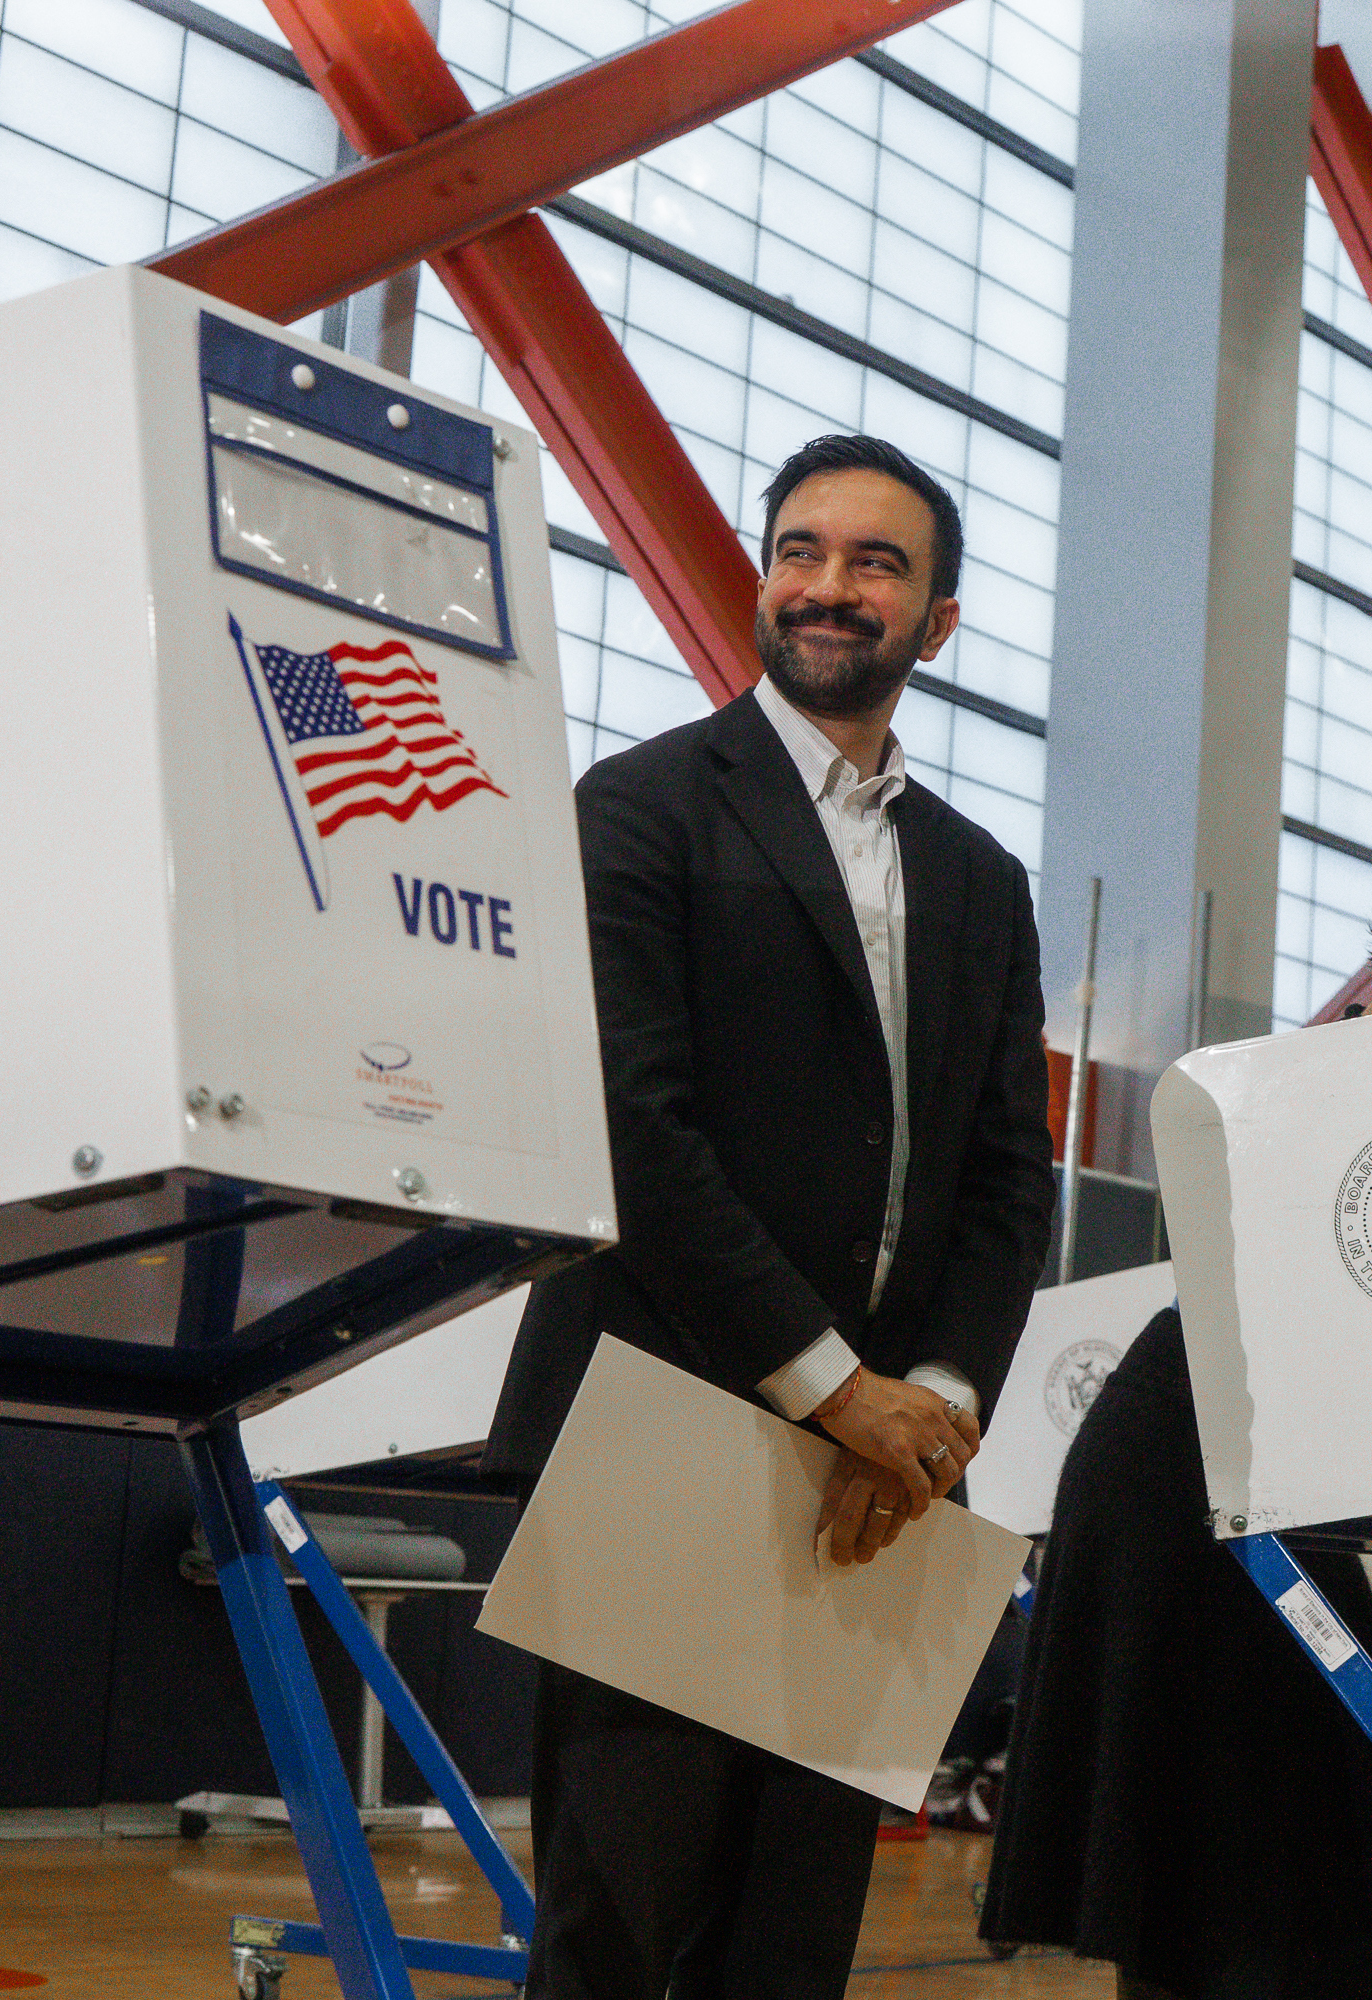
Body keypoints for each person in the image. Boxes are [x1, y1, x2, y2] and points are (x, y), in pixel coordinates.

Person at [485, 433, 1055, 2000]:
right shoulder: (644, 807)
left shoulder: (983, 881)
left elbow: (1012, 1182)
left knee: (789, 1951)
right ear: (760, 580)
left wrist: (931, 1404)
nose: (827, 586)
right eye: (801, 550)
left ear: (937, 621)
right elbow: (636, 1135)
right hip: (663, 1421)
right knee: (619, 1928)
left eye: (877, 563)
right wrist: (835, 1389)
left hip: (870, 1488)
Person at [982, 846, 1372, 2000]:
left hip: (1241, 1466)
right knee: (1254, 1856)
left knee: (1300, 1854)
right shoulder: (1352, 1083)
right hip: (1180, 1467)